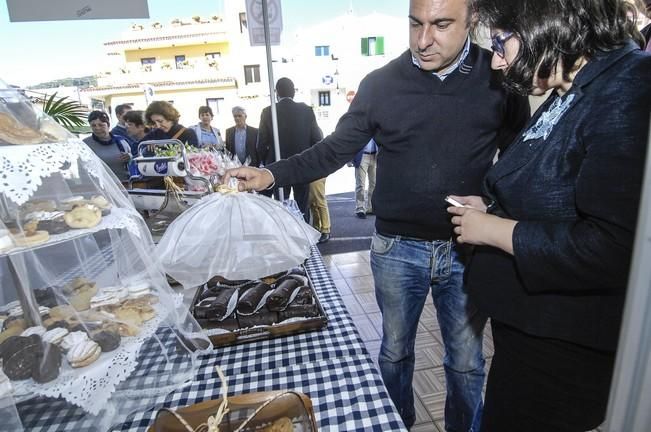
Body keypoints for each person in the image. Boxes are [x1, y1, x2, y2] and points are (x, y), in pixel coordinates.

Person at [224, 0, 530, 429]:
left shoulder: (499, 78)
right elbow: (333, 149)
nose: (423, 40)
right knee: (394, 352)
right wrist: (269, 175)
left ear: (471, 21)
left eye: (441, 25)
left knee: (466, 363)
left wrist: (496, 209)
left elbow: (522, 161)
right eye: (415, 24)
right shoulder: (381, 84)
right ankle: (396, 423)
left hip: (468, 250)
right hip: (396, 249)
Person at [447, 0, 650, 430]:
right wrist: (493, 207)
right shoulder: (573, 86)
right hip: (529, 334)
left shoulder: (627, 86)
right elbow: (557, 191)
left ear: (544, 24)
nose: (498, 63)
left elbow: (613, 247)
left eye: (501, 43)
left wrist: (496, 230)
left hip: (562, 351)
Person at [257, 77, 324, 222]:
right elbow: (317, 139)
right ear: (293, 92)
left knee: (281, 204)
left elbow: (261, 143)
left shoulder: (268, 112)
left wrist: (264, 162)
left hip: (277, 166)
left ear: (276, 93)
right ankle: (306, 237)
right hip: (302, 163)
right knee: (302, 205)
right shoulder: (306, 110)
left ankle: (286, 238)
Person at [83, 110, 133, 181]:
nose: (97, 128)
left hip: (124, 183)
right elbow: (83, 168)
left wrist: (130, 157)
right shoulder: (86, 144)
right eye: (93, 125)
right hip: (101, 187)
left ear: (108, 125)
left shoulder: (121, 141)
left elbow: (133, 160)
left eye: (101, 125)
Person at [353, 138, 377, 218]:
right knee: (360, 184)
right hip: (362, 156)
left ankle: (371, 207)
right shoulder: (362, 126)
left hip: (374, 156)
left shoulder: (377, 126)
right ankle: (360, 208)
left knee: (373, 183)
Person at [309, 178, 331, 243]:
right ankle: (316, 227)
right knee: (312, 201)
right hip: (309, 171)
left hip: (316, 172)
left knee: (319, 199)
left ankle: (325, 229)